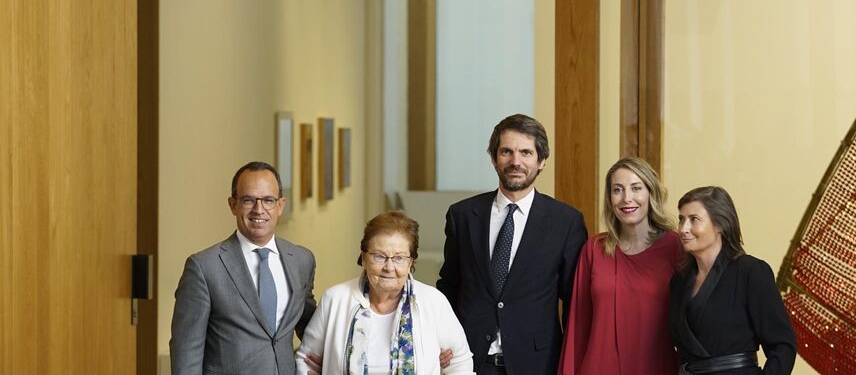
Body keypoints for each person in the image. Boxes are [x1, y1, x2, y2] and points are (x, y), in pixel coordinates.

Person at [436, 114, 588, 375]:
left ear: (541, 161)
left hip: (537, 363)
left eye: (526, 153)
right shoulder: (462, 216)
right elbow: (449, 285)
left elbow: (574, 300)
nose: (516, 161)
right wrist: (440, 340)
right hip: (470, 360)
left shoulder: (566, 222)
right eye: (506, 151)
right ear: (494, 158)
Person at [170, 161, 317, 374]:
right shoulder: (203, 268)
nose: (259, 210)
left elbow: (310, 326)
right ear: (233, 204)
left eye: (268, 200)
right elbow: (186, 352)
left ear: (280, 205)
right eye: (248, 200)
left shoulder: (302, 260)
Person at [295, 211, 474, 374]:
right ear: (364, 258)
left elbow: (460, 362)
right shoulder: (335, 299)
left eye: (399, 258)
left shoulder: (433, 302)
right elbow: (306, 360)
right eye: (379, 256)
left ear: (411, 261)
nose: (389, 267)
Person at [559, 157, 682, 374]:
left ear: (651, 193)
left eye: (636, 188)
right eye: (617, 190)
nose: (627, 198)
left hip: (656, 367)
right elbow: (578, 323)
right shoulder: (594, 249)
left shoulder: (676, 247)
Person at [670, 186, 797, 374]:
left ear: (720, 224)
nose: (683, 229)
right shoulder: (679, 282)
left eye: (694, 219)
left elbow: (783, 346)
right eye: (681, 219)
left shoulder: (751, 272)